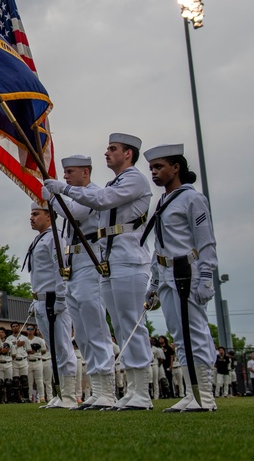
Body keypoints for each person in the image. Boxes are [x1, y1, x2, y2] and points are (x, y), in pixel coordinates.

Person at [45, 132, 154, 410]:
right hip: (102, 260)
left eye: (113, 148)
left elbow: (87, 207)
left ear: (128, 153)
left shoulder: (130, 180)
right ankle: (116, 390)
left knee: (118, 326)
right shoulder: (111, 183)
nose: (107, 152)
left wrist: (59, 192)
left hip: (121, 259)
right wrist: (58, 194)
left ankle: (136, 390)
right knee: (96, 330)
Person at [142, 144, 219, 413]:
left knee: (194, 332)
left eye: (159, 166)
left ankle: (205, 396)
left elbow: (206, 242)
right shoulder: (163, 201)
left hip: (186, 272)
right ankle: (192, 392)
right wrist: (153, 282)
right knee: (179, 335)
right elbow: (158, 245)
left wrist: (207, 276)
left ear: (176, 168)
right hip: (165, 272)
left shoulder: (192, 199)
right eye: (151, 167)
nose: (153, 172)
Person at [46, 154, 117, 409]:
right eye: (65, 173)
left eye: (71, 172)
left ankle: (108, 389)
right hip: (73, 263)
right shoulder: (74, 194)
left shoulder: (92, 194)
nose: (66, 177)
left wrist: (55, 198)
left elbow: (74, 212)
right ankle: (97, 390)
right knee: (83, 333)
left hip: (90, 260)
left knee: (95, 325)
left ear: (86, 172)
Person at [24, 202, 77, 408]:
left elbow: (60, 268)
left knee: (63, 347)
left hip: (54, 299)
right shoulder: (40, 239)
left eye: (36, 214)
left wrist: (62, 297)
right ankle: (59, 393)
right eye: (31, 214)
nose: (31, 218)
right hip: (42, 300)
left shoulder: (55, 237)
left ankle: (70, 396)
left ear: (49, 216)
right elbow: (40, 275)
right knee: (52, 349)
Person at [8, 321, 29, 403]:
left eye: (16, 326)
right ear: (11, 328)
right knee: (15, 381)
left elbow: (29, 349)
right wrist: (16, 345)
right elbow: (8, 350)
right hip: (14, 361)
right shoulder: (8, 339)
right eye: (13, 326)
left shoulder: (24, 338)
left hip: (23, 360)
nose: (15, 328)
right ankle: (17, 399)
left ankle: (26, 398)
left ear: (19, 327)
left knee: (24, 380)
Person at [25, 324, 47, 402]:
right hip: (28, 361)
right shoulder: (25, 340)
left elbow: (44, 350)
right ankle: (31, 397)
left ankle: (42, 397)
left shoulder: (39, 340)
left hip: (38, 361)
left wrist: (36, 351)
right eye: (28, 329)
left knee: (39, 380)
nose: (30, 331)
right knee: (29, 381)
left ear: (34, 330)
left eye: (31, 329)